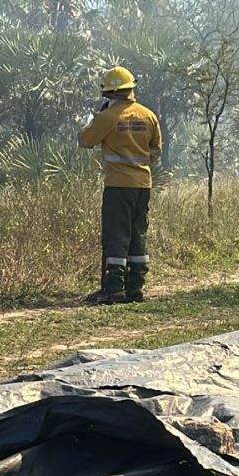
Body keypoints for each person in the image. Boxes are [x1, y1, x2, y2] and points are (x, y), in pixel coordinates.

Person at [78, 66, 163, 304]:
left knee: (116, 236)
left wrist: (96, 117)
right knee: (138, 235)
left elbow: (85, 140)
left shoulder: (108, 117)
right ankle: (135, 288)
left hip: (117, 186)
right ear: (131, 90)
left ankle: (113, 290)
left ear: (109, 94)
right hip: (143, 185)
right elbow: (156, 150)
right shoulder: (149, 116)